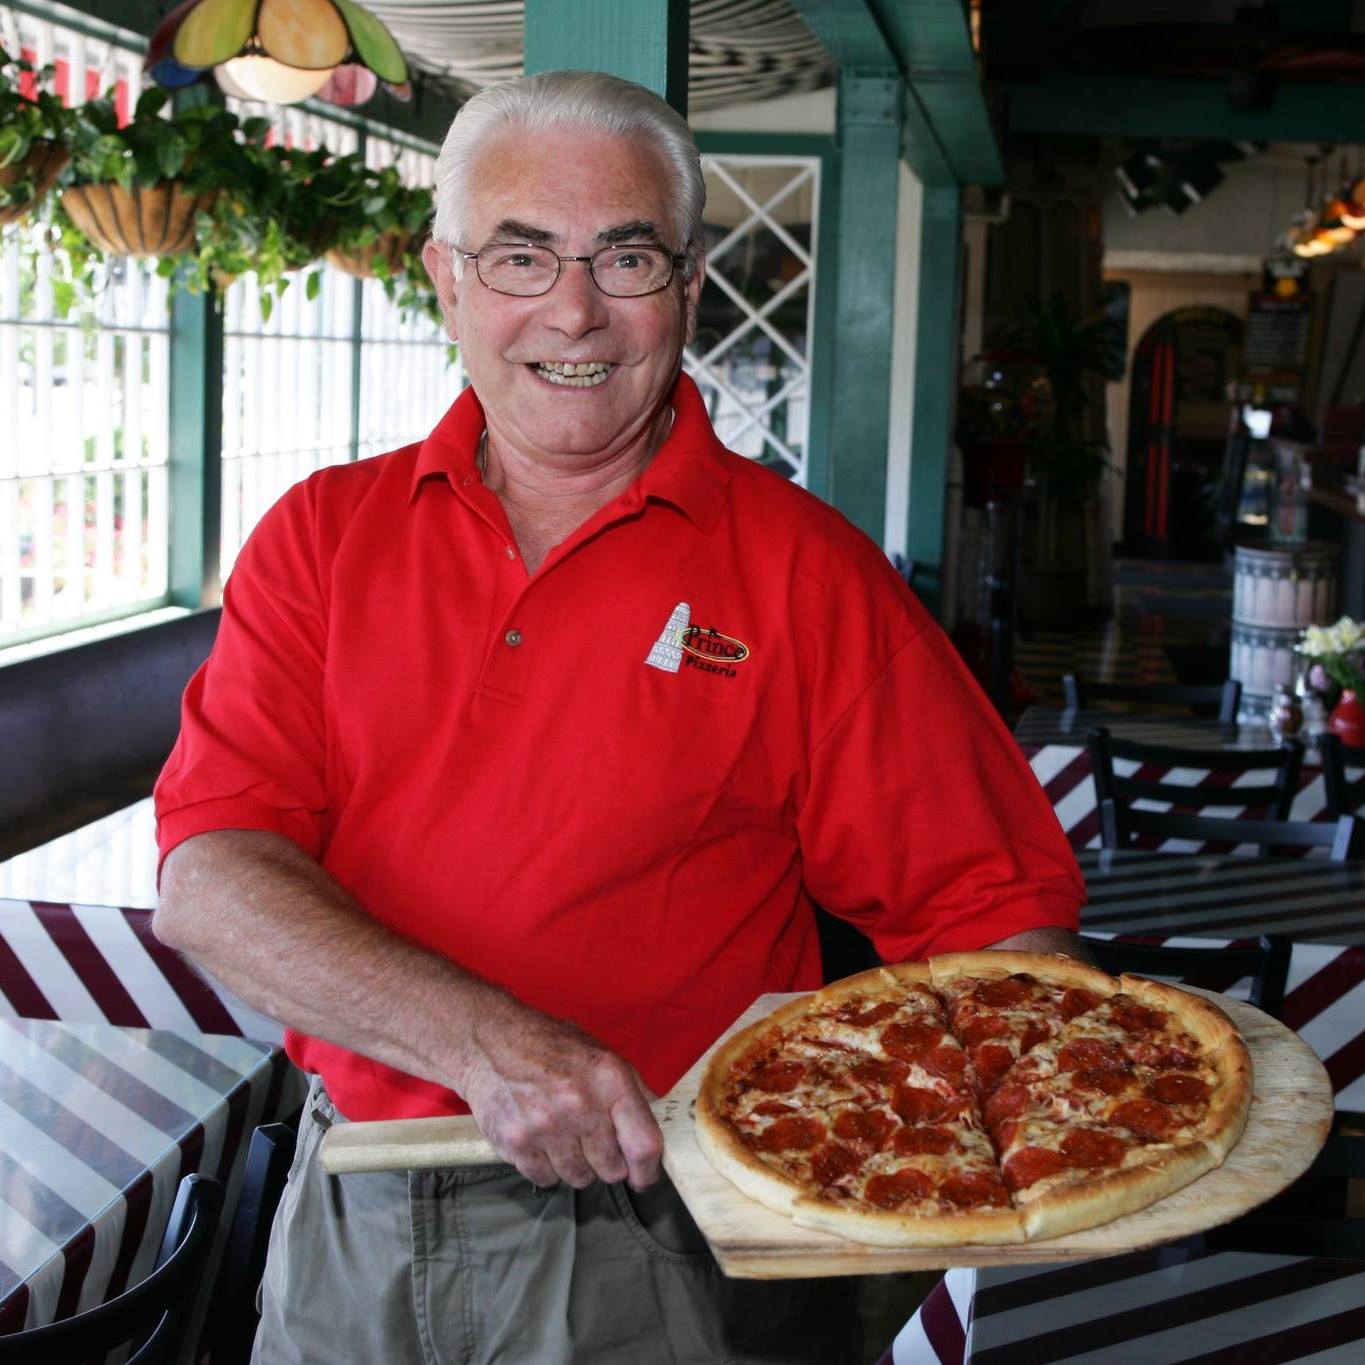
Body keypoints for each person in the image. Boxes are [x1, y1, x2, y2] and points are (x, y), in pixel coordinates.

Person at [153, 70, 1086, 1365]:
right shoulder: (322, 536)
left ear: (690, 282)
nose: (574, 310)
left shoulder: (807, 576)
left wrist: (917, 1148)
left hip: (653, 1234)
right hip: (354, 1200)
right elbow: (210, 876)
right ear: (447, 278)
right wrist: (488, 1043)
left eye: (626, 255)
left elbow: (995, 911)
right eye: (521, 255)